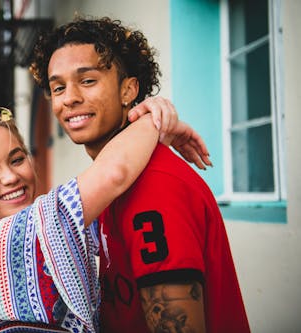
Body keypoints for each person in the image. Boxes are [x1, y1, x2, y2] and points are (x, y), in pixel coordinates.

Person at [30, 16, 250, 333]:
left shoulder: (155, 185)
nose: (70, 97)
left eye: (87, 80)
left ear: (128, 90)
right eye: (58, 87)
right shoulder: (106, 183)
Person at [0, 105, 209, 332]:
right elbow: (114, 174)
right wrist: (154, 120)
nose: (12, 177)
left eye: (17, 159)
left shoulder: (44, 231)